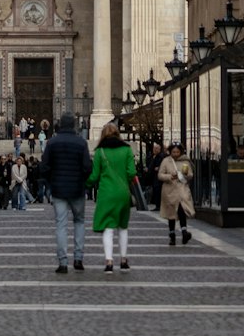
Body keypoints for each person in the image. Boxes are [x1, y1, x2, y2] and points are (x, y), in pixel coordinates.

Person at [40, 111, 92, 274]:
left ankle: (63, 262)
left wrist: (51, 181)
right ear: (74, 125)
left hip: (59, 188)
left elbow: (44, 166)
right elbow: (87, 167)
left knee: (61, 225)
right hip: (77, 188)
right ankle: (78, 258)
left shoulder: (52, 142)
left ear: (60, 125)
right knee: (79, 222)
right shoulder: (81, 142)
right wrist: (82, 180)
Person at [88, 121, 137, 272]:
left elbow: (94, 176)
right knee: (123, 227)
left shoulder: (100, 151)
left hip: (106, 193)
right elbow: (131, 173)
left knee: (108, 228)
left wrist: (85, 184)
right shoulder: (127, 150)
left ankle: (109, 261)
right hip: (123, 193)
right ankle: (123, 260)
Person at [158, 141, 195, 246]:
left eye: (177, 152)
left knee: (182, 210)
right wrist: (170, 176)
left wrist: (186, 174)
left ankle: (184, 232)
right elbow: (160, 175)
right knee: (171, 214)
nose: (175, 154)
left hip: (182, 189)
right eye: (173, 152)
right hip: (169, 191)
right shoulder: (166, 161)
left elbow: (190, 175)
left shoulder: (185, 161)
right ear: (170, 152)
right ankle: (172, 235)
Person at [147, 141, 165, 210]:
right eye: (154, 148)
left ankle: (158, 206)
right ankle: (157, 205)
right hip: (154, 177)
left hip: (158, 177)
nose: (154, 150)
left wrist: (159, 168)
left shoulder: (161, 156)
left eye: (156, 148)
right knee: (156, 190)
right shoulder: (153, 156)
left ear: (159, 149)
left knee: (158, 190)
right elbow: (151, 166)